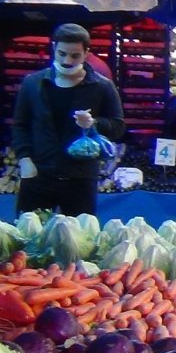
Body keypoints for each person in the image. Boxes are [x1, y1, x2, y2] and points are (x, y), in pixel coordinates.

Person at [12, 23, 124, 215]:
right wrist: (24, 159)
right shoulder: (33, 83)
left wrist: (94, 123)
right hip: (38, 174)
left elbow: (118, 126)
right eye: (62, 53)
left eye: (75, 55)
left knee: (78, 239)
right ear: (54, 48)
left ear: (86, 52)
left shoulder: (102, 87)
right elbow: (20, 125)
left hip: (80, 178)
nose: (67, 60)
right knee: (28, 238)